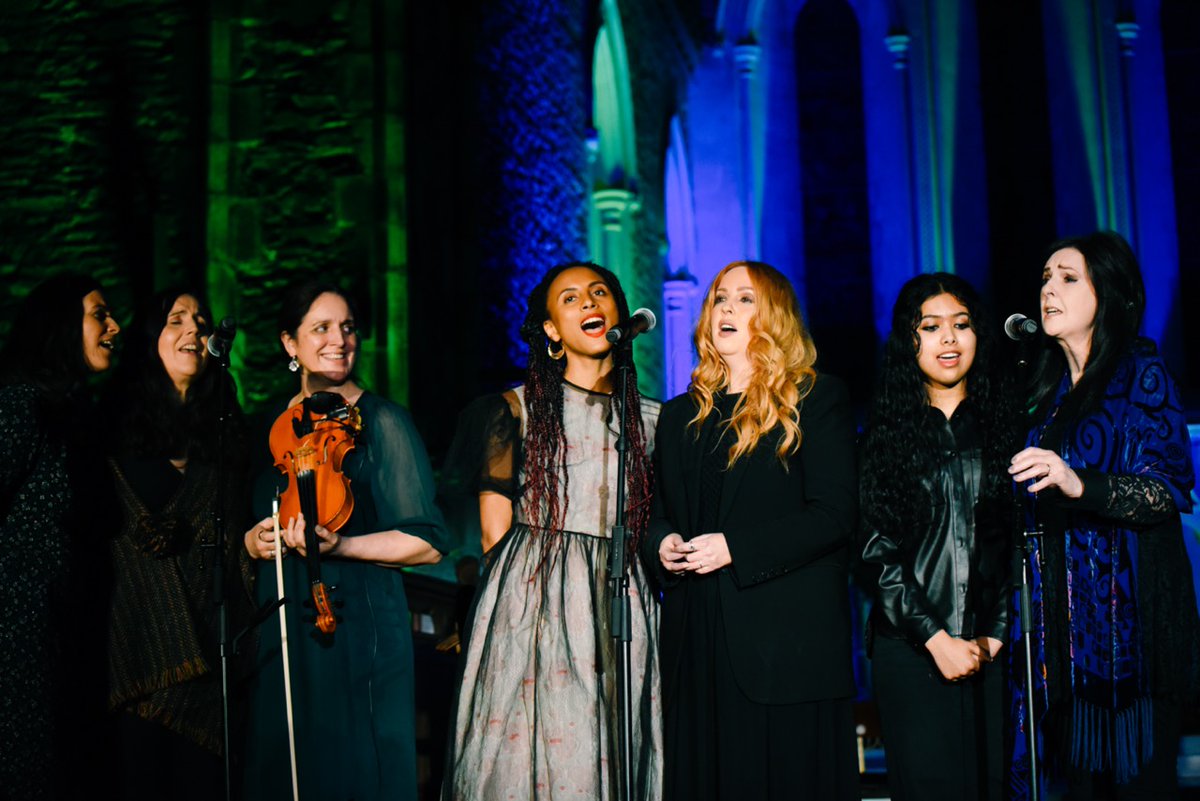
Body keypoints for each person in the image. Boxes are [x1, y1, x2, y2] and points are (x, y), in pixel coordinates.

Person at [443, 262, 662, 800]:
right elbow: (494, 536)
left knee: (615, 747)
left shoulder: (654, 420)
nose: (589, 303)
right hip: (534, 602)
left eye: (599, 293)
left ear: (618, 312)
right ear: (549, 329)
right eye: (570, 299)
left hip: (622, 597)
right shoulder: (513, 410)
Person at [644, 260, 860, 800]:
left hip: (784, 644)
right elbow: (658, 513)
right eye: (719, 298)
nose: (727, 309)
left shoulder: (816, 399)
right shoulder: (677, 416)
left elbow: (835, 515)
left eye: (744, 298)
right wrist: (662, 542)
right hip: (697, 640)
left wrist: (733, 549)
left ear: (774, 315)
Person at [1007, 231, 1200, 800]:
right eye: (1045, 277)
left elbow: (1166, 491)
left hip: (1132, 646)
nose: (1049, 289)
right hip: (1061, 644)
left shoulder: (1142, 371)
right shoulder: (1048, 393)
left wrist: (1076, 482)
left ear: (1108, 294)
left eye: (1068, 278)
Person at [242, 281, 448, 801]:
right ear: (290, 344)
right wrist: (251, 542)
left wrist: (343, 546)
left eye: (348, 327)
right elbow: (248, 519)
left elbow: (427, 542)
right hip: (284, 625)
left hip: (360, 619)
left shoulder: (383, 421)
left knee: (357, 768)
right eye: (322, 328)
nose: (339, 339)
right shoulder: (268, 427)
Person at [858, 273, 1017, 801]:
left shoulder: (1010, 427)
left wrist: (995, 632)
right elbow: (874, 552)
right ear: (909, 340)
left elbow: (1021, 539)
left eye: (961, 325)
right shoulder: (882, 435)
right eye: (931, 327)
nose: (949, 339)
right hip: (911, 650)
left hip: (995, 649)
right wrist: (935, 638)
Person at [99, 288, 255, 799]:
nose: (194, 330)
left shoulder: (226, 432)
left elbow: (232, 542)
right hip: (136, 657)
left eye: (201, 322)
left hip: (211, 663)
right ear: (151, 340)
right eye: (176, 320)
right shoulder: (109, 432)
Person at [0, 274, 121, 799]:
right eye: (100, 314)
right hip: (19, 649)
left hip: (69, 641)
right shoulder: (19, 406)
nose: (114, 326)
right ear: (60, 325)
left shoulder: (80, 416)